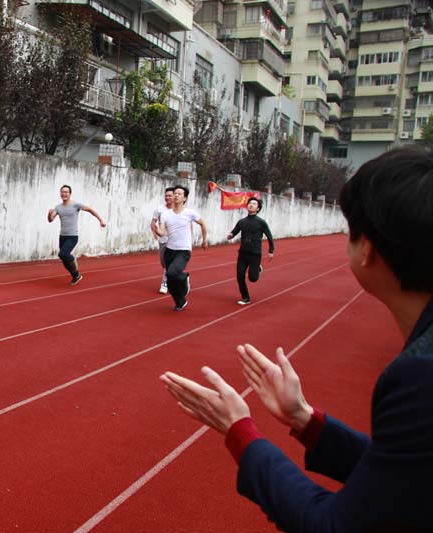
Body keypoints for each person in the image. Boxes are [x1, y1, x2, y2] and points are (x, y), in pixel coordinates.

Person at [160, 146, 433, 531]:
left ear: (367, 250)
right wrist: (306, 420)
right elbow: (403, 472)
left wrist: (240, 431)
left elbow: (332, 525)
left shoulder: (418, 380)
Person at [155, 185, 208, 311]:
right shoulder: (166, 215)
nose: (176, 195)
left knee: (172, 273)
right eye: (175, 193)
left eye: (179, 194)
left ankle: (184, 278)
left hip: (183, 250)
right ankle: (180, 302)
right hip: (170, 250)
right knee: (170, 280)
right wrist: (157, 231)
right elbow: (162, 232)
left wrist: (204, 240)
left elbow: (203, 223)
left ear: (184, 198)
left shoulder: (189, 213)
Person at [47, 184, 106, 285]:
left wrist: (101, 220)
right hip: (62, 236)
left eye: (66, 192)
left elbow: (90, 210)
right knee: (64, 259)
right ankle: (76, 276)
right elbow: (50, 220)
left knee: (63, 254)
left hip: (72, 236)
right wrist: (49, 214)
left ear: (70, 194)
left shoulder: (75, 205)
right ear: (60, 193)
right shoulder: (58, 207)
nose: (64, 193)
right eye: (62, 192)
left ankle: (72, 259)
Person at [227, 197, 275, 305]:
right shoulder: (242, 221)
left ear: (258, 208)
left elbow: (269, 236)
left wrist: (271, 250)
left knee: (253, 278)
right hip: (243, 253)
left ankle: (257, 267)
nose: (251, 205)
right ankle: (246, 297)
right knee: (240, 275)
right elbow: (235, 231)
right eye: (250, 203)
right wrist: (230, 235)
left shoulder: (261, 222)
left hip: (255, 253)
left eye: (254, 204)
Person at [151, 187, 176, 294]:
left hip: (175, 240)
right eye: (166, 195)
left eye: (170, 195)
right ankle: (172, 275)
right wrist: (154, 233)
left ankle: (165, 283)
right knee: (164, 263)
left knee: (169, 262)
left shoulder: (179, 209)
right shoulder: (159, 209)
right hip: (163, 239)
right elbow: (153, 222)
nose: (167, 197)